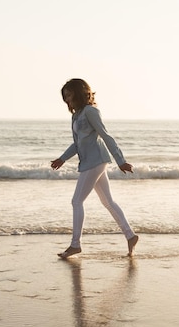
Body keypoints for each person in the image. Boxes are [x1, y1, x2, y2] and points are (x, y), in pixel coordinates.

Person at [51, 78, 138, 258]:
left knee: (76, 201)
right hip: (90, 162)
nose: (67, 100)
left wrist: (121, 160)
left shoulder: (90, 111)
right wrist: (62, 158)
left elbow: (106, 136)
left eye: (69, 95)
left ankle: (75, 245)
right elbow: (77, 143)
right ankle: (130, 235)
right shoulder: (76, 116)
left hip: (96, 161)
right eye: (64, 97)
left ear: (79, 92)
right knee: (108, 202)